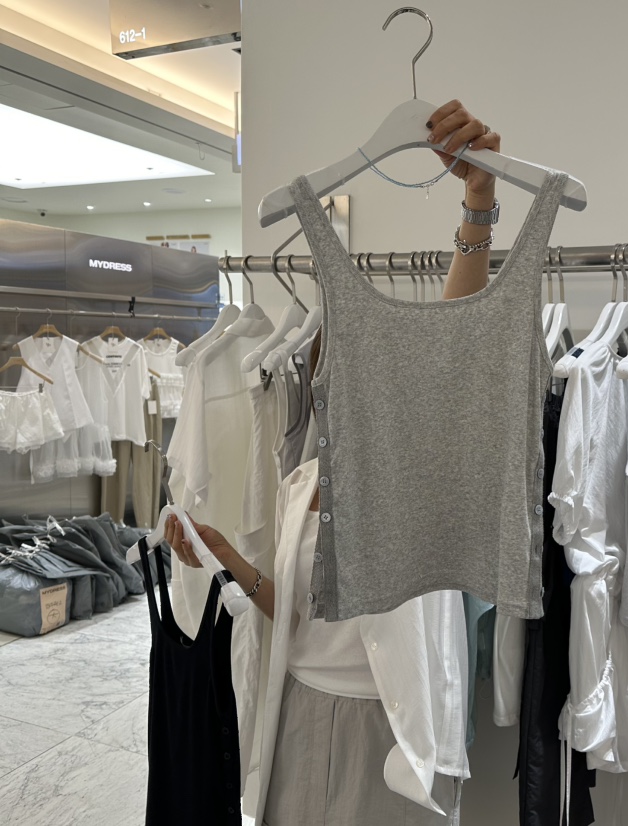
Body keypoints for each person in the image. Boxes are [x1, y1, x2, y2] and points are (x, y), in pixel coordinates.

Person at [164, 100, 501, 825]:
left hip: (386, 736)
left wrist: (478, 205)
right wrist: (227, 557)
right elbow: (292, 612)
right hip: (294, 717)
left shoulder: (417, 472)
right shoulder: (303, 482)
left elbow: (456, 344)